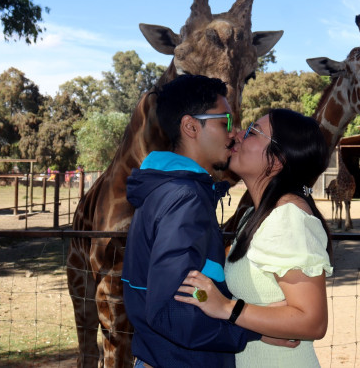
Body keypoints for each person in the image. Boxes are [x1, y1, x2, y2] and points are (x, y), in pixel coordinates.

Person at [121, 75, 295, 368]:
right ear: (191, 126)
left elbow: (189, 287)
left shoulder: (170, 189)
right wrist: (252, 329)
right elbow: (173, 309)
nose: (234, 132)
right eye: (224, 121)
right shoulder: (184, 199)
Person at [175, 108, 334, 367]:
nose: (237, 135)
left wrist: (228, 308)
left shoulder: (288, 219)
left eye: (253, 132)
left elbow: (312, 321)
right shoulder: (255, 215)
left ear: (278, 159)